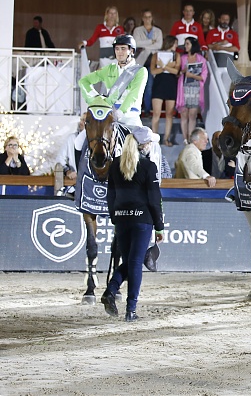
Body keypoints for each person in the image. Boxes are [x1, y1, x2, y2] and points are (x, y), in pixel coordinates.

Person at [100, 131, 165, 322]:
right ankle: (131, 309)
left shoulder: (115, 165)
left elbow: (110, 196)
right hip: (141, 219)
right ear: (144, 145)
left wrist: (114, 217)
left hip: (121, 219)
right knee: (135, 263)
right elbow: (154, 199)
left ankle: (111, 291)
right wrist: (159, 226)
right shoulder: (148, 166)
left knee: (130, 262)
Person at [78, 34, 147, 128]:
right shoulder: (108, 69)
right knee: (81, 140)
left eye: (123, 48)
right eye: (117, 49)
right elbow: (84, 81)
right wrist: (95, 99)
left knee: (147, 139)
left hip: (130, 116)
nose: (119, 52)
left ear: (131, 51)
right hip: (108, 114)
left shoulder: (140, 71)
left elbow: (134, 95)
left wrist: (120, 112)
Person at [176, 37, 208, 143]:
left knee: (192, 115)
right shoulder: (183, 58)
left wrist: (192, 75)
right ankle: (185, 139)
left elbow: (203, 77)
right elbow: (178, 73)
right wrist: (183, 71)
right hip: (183, 88)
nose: (185, 46)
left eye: (187, 44)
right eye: (185, 44)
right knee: (184, 114)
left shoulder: (201, 59)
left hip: (195, 89)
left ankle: (191, 138)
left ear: (193, 45)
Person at [150, 35, 180, 145]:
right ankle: (154, 138)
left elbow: (176, 71)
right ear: (170, 43)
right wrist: (166, 67)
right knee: (156, 113)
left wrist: (163, 66)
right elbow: (153, 71)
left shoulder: (176, 55)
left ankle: (166, 138)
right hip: (159, 84)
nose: (176, 46)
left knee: (169, 113)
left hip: (171, 84)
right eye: (175, 43)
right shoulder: (156, 55)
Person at [133, 9, 164, 112]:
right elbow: (136, 43)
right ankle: (138, 108)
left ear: (152, 18)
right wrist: (151, 41)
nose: (147, 19)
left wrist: (145, 44)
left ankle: (147, 109)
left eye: (149, 17)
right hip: (141, 61)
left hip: (153, 61)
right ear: (142, 18)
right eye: (145, 17)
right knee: (138, 85)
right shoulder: (137, 30)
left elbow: (159, 45)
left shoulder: (158, 31)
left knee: (149, 86)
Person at [55, 112, 87, 180]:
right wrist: (68, 172)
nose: (81, 122)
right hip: (74, 182)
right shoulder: (71, 138)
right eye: (81, 119)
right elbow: (60, 159)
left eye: (84, 120)